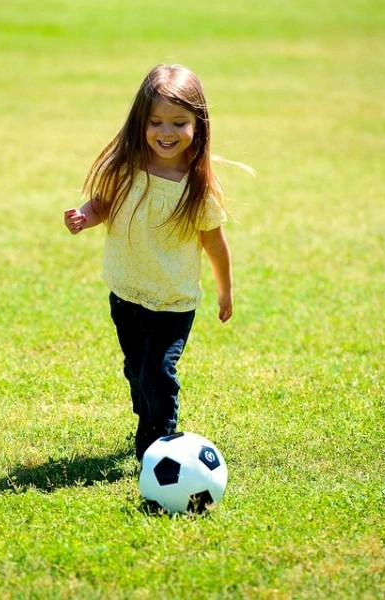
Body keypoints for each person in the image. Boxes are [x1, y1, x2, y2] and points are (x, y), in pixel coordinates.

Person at [63, 64, 234, 461]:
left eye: (179, 122)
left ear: (198, 125)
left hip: (173, 303)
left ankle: (157, 448)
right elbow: (104, 203)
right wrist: (86, 216)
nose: (166, 132)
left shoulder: (198, 188)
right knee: (137, 372)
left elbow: (215, 243)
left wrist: (225, 291)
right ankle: (147, 415)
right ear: (140, 121)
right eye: (156, 121)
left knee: (159, 374)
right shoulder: (125, 170)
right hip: (126, 293)